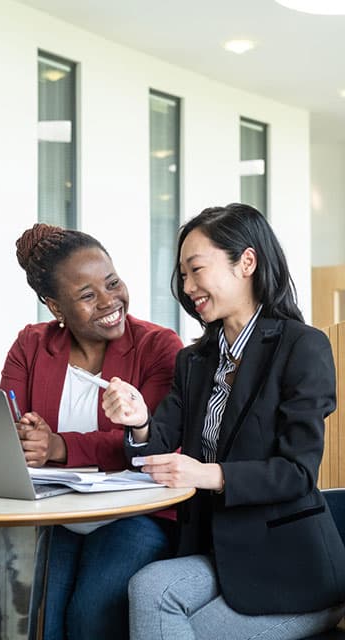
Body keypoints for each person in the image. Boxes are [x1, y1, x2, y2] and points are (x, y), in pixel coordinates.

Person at [102, 203, 345, 640]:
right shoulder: (194, 360)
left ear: (246, 262)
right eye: (182, 275)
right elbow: (157, 441)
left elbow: (297, 473)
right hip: (221, 552)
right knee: (147, 587)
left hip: (293, 570)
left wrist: (208, 474)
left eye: (196, 270)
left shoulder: (302, 348)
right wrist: (138, 422)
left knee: (182, 625)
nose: (188, 285)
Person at [0, 223, 183, 640]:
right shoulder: (31, 345)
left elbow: (154, 441)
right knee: (42, 624)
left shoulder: (159, 347)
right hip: (59, 515)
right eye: (87, 296)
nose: (109, 301)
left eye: (112, 282)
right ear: (55, 308)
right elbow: (5, 424)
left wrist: (58, 446)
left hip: (136, 514)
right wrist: (23, 436)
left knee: (89, 619)